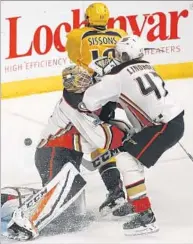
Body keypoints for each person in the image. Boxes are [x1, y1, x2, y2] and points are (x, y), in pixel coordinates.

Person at [82, 35, 185, 235]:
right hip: (171, 121)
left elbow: (89, 101)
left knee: (127, 160)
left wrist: (100, 81)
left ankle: (145, 216)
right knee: (131, 158)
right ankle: (135, 201)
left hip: (162, 125)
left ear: (123, 55)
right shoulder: (148, 67)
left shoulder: (117, 77)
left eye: (118, 53)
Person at [66, 2, 129, 215]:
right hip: (113, 91)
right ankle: (121, 187)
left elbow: (75, 59)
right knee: (102, 136)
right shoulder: (120, 33)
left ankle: (115, 189)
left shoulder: (78, 34)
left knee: (96, 139)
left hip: (91, 93)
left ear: (88, 17)